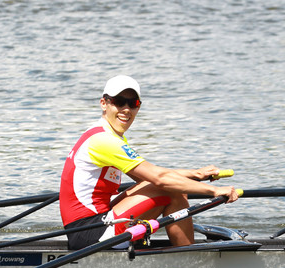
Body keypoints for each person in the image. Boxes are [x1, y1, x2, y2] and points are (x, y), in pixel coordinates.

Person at [59, 75, 239, 250]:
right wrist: (214, 191)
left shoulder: (104, 135)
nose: (127, 109)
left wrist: (196, 174)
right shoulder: (104, 140)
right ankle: (188, 257)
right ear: (104, 103)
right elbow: (160, 179)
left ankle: (182, 249)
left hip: (91, 226)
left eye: (133, 103)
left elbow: (146, 176)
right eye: (119, 102)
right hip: (89, 234)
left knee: (168, 185)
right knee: (173, 191)